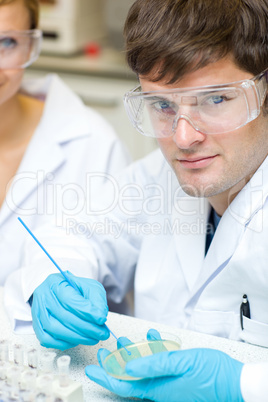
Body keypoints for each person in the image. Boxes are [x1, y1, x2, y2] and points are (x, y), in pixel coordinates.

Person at [5, 0, 268, 400]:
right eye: (162, 105)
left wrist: (244, 385)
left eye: (215, 100)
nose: (183, 138)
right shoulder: (157, 178)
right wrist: (56, 279)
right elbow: (75, 231)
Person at [0, 0, 130, 324]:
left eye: (6, 42)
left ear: (32, 44)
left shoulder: (92, 142)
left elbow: (116, 274)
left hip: (53, 363)